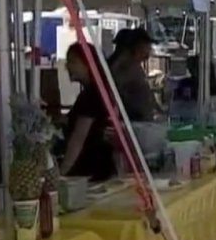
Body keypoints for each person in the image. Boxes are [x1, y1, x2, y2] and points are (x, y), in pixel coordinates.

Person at [58, 44, 115, 182]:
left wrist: (61, 174)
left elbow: (78, 138)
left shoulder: (91, 95)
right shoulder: (99, 91)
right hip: (100, 167)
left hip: (89, 171)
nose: (67, 67)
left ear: (88, 63)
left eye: (72, 61)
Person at [109, 28, 154, 122]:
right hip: (132, 120)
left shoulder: (132, 64)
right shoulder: (124, 65)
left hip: (138, 119)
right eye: (147, 46)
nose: (150, 49)